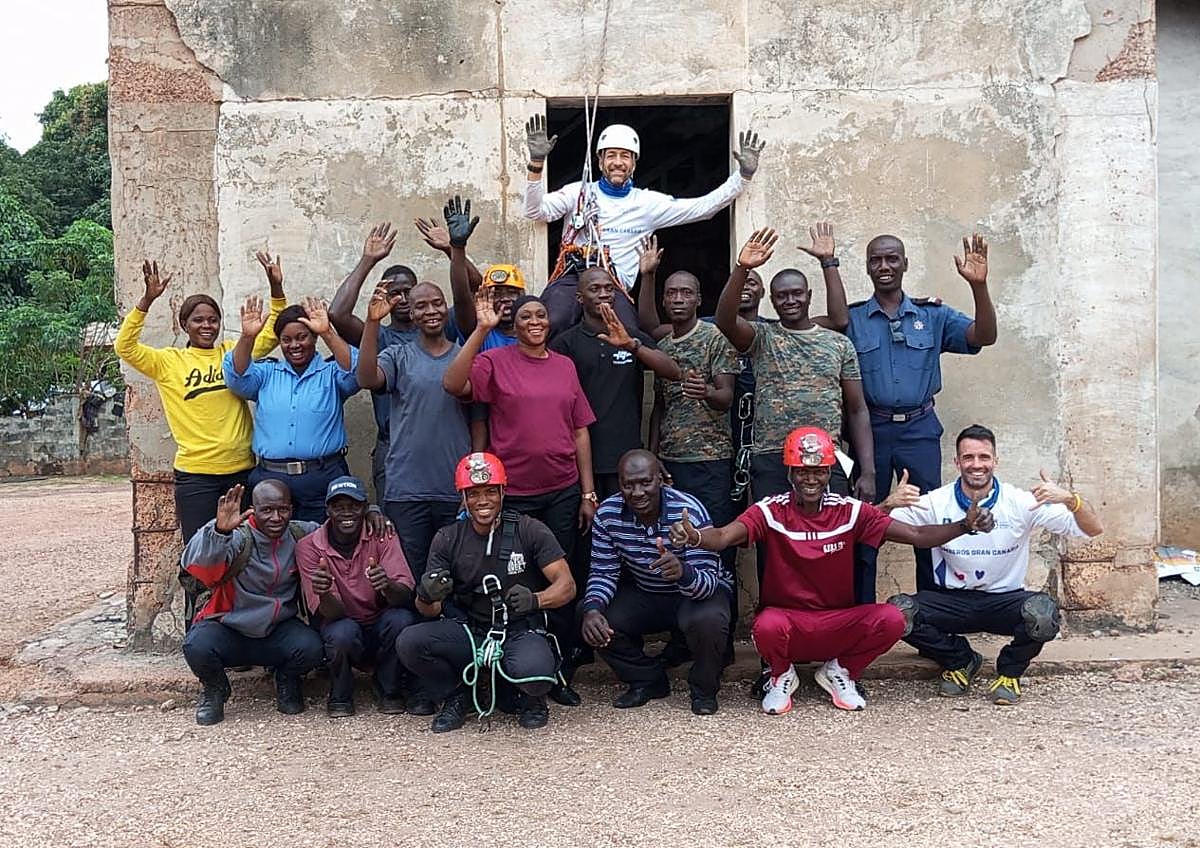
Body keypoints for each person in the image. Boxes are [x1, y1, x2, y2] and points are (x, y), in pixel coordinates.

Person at [669, 427, 995, 714]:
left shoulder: (850, 511)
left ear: (829, 473)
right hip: (788, 623)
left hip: (838, 624)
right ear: (790, 473)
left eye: (819, 471)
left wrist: (965, 525)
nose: (810, 479)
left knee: (893, 618)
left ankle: (840, 671)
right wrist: (696, 536)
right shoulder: (769, 510)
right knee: (765, 624)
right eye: (802, 471)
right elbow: (725, 535)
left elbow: (919, 536)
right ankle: (781, 675)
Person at [443, 288, 597, 705]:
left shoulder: (565, 366)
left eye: (541, 315)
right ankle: (507, 667)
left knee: (559, 580)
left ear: (550, 323)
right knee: (514, 580)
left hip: (562, 490)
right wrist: (481, 329)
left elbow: (579, 429)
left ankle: (556, 671)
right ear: (514, 324)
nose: (534, 321)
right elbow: (453, 383)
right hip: (513, 495)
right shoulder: (495, 360)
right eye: (526, 315)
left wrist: (587, 491)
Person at [882, 425, 1103, 705]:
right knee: (896, 614)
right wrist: (888, 504)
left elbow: (1093, 529)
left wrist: (1072, 500)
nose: (977, 465)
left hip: (1003, 601)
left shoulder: (1021, 502)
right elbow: (874, 528)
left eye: (984, 457)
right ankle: (960, 660)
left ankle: (1010, 672)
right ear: (957, 462)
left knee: (1043, 614)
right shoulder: (936, 502)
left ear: (995, 461)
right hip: (952, 601)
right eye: (968, 457)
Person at [846, 233, 998, 591]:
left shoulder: (933, 315)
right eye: (876, 260)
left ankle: (930, 617)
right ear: (868, 267)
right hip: (871, 433)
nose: (884, 266)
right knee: (867, 524)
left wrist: (980, 286)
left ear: (905, 263)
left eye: (892, 259)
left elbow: (984, 336)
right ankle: (863, 616)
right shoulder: (853, 320)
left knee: (929, 523)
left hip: (920, 431)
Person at [523, 115, 766, 336]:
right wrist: (536, 163)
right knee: (551, 322)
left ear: (634, 163)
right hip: (572, 278)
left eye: (625, 156)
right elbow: (535, 211)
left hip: (614, 286)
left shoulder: (647, 203)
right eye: (611, 155)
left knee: (631, 335)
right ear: (599, 161)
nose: (618, 162)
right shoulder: (577, 192)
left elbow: (703, 208)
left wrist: (743, 176)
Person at [396, 452, 576, 732]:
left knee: (536, 673)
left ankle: (531, 697)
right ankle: (458, 695)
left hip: (518, 627)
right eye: (474, 493)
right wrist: (426, 594)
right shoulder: (447, 538)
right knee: (410, 642)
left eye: (490, 492)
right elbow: (428, 611)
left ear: (503, 492)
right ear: (463, 497)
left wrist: (536, 600)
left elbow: (567, 586)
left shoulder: (530, 530)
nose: (483, 501)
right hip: (470, 629)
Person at [114, 256, 284, 543]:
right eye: (198, 320)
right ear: (184, 325)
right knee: (202, 553)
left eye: (213, 320)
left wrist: (276, 287)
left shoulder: (233, 354)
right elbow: (125, 346)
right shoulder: (168, 361)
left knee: (245, 549)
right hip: (196, 478)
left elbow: (271, 335)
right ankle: (199, 592)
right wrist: (146, 301)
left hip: (241, 471)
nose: (207, 326)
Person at [714, 227, 867, 504]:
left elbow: (857, 410)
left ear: (808, 295)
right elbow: (725, 320)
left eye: (796, 293)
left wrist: (867, 470)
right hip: (772, 456)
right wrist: (742, 268)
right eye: (782, 296)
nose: (790, 300)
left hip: (825, 455)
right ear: (772, 301)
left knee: (828, 538)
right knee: (773, 540)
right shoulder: (762, 337)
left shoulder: (838, 344)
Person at [582, 450, 732, 715]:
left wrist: (683, 571)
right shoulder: (608, 514)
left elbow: (709, 583)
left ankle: (704, 688)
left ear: (660, 479)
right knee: (591, 617)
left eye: (645, 482)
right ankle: (647, 680)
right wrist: (593, 608)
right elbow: (603, 572)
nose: (637, 492)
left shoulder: (688, 510)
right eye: (628, 485)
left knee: (709, 620)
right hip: (649, 592)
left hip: (695, 594)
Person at [636, 236, 740, 579]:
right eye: (672, 293)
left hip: (710, 461)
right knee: (677, 541)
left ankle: (719, 621)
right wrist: (653, 454)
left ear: (698, 299)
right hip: (672, 463)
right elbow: (659, 407)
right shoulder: (663, 344)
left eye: (686, 293)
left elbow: (726, 398)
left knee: (714, 539)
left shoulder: (716, 338)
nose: (678, 299)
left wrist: (707, 391)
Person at [179, 481, 323, 726]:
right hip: (228, 626)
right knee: (196, 646)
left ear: (291, 509)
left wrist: (372, 512)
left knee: (312, 648)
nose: (276, 517)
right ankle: (215, 690)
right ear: (252, 509)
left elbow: (341, 527)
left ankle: (286, 678)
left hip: (277, 629)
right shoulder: (234, 536)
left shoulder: (301, 533)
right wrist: (219, 533)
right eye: (267, 510)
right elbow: (200, 569)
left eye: (283, 509)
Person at [356, 281, 470, 583]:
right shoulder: (398, 355)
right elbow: (367, 378)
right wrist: (372, 322)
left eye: (436, 303)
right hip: (407, 489)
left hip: (454, 488)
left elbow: (480, 421)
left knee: (454, 577)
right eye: (421, 305)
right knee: (409, 577)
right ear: (412, 313)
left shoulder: (465, 357)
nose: (430, 310)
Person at [224, 295, 360, 522]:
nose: (294, 345)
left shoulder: (331, 372)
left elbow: (357, 371)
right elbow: (235, 377)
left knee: (321, 549)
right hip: (270, 482)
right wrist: (248, 337)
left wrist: (328, 332)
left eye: (302, 337)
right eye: (286, 340)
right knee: (271, 551)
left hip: (323, 479)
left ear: (314, 337)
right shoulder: (266, 373)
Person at [551, 267, 682, 500]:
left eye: (609, 289)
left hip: (626, 461)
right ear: (580, 298)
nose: (603, 294)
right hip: (579, 460)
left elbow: (673, 371)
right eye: (595, 289)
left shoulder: (632, 337)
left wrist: (632, 346)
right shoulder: (565, 344)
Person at [295, 476, 418, 717]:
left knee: (401, 619)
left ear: (365, 508)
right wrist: (323, 592)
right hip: (342, 624)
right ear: (328, 509)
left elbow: (405, 594)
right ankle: (340, 691)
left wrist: (387, 585)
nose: (346, 513)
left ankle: (388, 687)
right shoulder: (308, 546)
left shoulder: (383, 534)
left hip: (379, 622)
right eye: (338, 507)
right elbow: (328, 613)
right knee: (342, 631)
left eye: (354, 506)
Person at [327, 223, 419, 501]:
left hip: (436, 446)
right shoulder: (378, 336)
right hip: (391, 447)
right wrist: (368, 260)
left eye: (408, 291)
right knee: (391, 527)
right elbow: (337, 314)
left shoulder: (439, 331)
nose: (402, 299)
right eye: (395, 293)